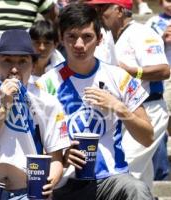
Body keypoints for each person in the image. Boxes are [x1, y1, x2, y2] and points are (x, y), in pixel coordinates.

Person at [36, 3, 154, 199]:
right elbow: (35, 143)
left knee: (137, 190)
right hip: (63, 182)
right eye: (72, 37)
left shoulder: (120, 77)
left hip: (112, 179)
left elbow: (147, 137)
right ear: (61, 40)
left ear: (99, 39)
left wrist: (119, 107)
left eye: (87, 37)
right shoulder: (45, 84)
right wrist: (61, 156)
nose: (79, 45)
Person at [0, 29, 71, 199]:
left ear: (33, 65)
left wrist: (50, 181)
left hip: (28, 191)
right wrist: (4, 107)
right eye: (7, 61)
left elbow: (55, 158)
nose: (14, 69)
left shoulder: (48, 101)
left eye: (22, 61)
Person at [87, 0, 170, 189]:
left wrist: (132, 71)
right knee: (141, 176)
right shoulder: (107, 37)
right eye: (96, 8)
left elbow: (164, 70)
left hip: (149, 108)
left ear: (119, 9)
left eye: (102, 7)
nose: (98, 12)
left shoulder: (142, 32)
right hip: (121, 111)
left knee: (125, 170)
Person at [145, 0, 171, 180]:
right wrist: (162, 38)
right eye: (167, 1)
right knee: (165, 114)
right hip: (164, 75)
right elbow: (146, 48)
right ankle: (162, 172)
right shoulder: (152, 22)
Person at [28, 20, 65, 84]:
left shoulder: (62, 68)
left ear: (55, 45)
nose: (42, 48)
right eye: (37, 42)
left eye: (47, 43)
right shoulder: (19, 66)